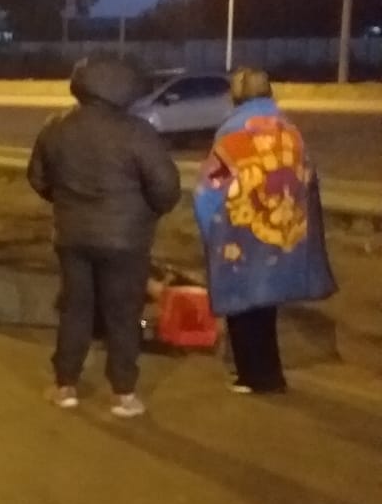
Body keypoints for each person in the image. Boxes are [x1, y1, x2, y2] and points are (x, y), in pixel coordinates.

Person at [27, 55, 181, 417]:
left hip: (72, 236)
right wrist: (144, 213)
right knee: (123, 313)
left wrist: (67, 203)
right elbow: (166, 189)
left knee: (75, 309)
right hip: (126, 240)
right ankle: (123, 393)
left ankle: (65, 385)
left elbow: (38, 178)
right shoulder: (138, 132)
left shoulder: (56, 128)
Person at [192, 67, 336, 395]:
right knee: (267, 305)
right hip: (284, 230)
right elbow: (308, 179)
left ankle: (251, 375)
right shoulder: (291, 131)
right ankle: (271, 374)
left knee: (241, 304)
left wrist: (210, 231)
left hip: (241, 233)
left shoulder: (232, 135)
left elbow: (209, 190)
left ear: (236, 97)